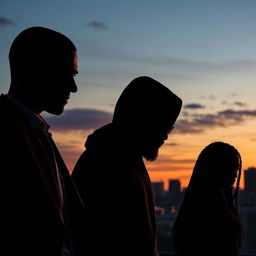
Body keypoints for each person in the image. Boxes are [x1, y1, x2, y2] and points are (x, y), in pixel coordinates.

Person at [72, 76, 182, 256]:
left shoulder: (123, 157)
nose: (166, 136)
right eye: (162, 125)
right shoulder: (109, 162)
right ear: (141, 120)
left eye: (170, 127)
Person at [1, 27, 85, 256]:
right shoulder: (9, 134)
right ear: (30, 69)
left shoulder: (37, 133)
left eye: (74, 75)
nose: (73, 87)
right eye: (66, 73)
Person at [173, 142, 244, 256]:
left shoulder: (196, 207)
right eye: (231, 167)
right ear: (216, 168)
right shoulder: (207, 210)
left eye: (237, 168)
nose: (235, 174)